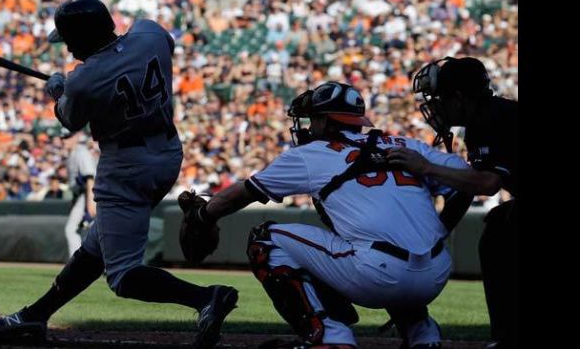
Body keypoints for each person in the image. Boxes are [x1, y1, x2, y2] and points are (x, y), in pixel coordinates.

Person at [0, 0, 238, 348]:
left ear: (83, 36)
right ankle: (34, 317)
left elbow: (68, 119)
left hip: (126, 166)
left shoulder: (84, 80)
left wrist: (58, 91)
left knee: (123, 275)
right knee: (95, 247)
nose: (67, 48)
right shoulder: (148, 33)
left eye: (70, 40)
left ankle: (207, 297)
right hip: (167, 153)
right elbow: (161, 47)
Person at [181, 82, 468, 349]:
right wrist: (441, 231)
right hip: (436, 272)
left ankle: (329, 336)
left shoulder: (314, 153)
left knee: (265, 240)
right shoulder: (407, 144)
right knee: (396, 240)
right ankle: (424, 334)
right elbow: (466, 182)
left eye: (312, 119)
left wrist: (204, 215)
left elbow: (243, 193)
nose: (307, 126)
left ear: (327, 121)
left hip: (378, 275)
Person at [387, 57, 518, 349]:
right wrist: (436, 234)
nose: (435, 107)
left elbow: (487, 183)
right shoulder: (491, 114)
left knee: (501, 231)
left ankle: (508, 337)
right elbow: (468, 190)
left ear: (458, 97)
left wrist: (426, 167)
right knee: (500, 228)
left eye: (440, 99)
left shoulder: (488, 120)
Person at [64, 132, 97, 255]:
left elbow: (90, 178)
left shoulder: (81, 153)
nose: (64, 140)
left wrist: (91, 201)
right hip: (82, 195)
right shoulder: (71, 154)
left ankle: (76, 264)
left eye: (67, 137)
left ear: (76, 137)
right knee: (87, 229)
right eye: (62, 138)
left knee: (71, 229)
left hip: (90, 193)